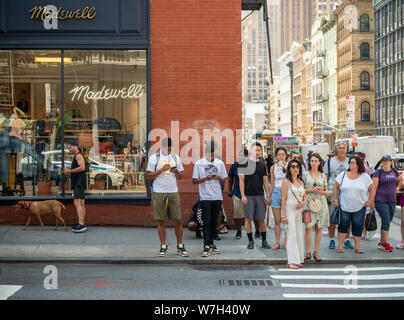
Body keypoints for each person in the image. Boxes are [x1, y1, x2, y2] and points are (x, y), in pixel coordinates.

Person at [145, 137, 188, 257]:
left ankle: (180, 246)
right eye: (167, 150)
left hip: (173, 191)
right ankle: (163, 246)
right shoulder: (155, 158)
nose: (168, 152)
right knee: (161, 220)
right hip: (159, 192)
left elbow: (180, 176)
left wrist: (177, 172)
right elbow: (148, 176)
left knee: (178, 220)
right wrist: (161, 169)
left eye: (170, 150)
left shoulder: (175, 157)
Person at [333, 156, 376, 254]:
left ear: (358, 165)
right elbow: (336, 187)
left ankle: (357, 247)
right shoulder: (343, 174)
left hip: (360, 206)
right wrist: (335, 200)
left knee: (358, 225)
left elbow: (372, 188)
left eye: (353, 163)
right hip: (344, 206)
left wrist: (370, 200)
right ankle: (340, 246)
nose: (350, 164)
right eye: (350, 162)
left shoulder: (365, 176)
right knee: (343, 225)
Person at [192, 141, 228, 257]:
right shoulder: (199, 164)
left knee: (214, 222)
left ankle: (212, 244)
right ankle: (206, 245)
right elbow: (194, 181)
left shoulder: (220, 163)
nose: (211, 157)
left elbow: (224, 180)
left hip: (217, 197)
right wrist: (206, 178)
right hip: (205, 197)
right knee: (206, 222)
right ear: (205, 153)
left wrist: (218, 178)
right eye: (209, 154)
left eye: (213, 155)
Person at [239, 142, 271, 249]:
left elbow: (265, 181)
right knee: (248, 219)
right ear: (250, 150)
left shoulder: (262, 165)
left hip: (260, 195)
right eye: (255, 150)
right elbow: (241, 181)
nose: (256, 152)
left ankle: (264, 241)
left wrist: (268, 195)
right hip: (248, 195)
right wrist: (243, 195)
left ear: (260, 152)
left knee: (261, 219)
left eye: (258, 150)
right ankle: (250, 241)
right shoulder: (243, 163)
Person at [324, 141, 353, 250]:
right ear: (336, 149)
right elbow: (325, 178)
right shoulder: (329, 161)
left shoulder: (350, 162)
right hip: (332, 191)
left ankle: (346, 240)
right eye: (339, 148)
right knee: (332, 217)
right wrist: (326, 193)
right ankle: (332, 239)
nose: (341, 150)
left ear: (346, 150)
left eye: (343, 148)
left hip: (347, 192)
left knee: (347, 218)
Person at [372, 155, 403, 252]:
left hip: (392, 200)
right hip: (381, 200)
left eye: (386, 160)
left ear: (390, 162)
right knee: (386, 220)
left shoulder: (394, 171)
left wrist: (397, 187)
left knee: (388, 221)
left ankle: (381, 243)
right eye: (383, 161)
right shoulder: (378, 172)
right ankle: (385, 243)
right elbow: (374, 187)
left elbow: (401, 180)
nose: (385, 162)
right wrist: (372, 201)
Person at [302, 153, 329, 262]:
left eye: (315, 161)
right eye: (311, 161)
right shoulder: (305, 174)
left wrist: (320, 191)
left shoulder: (322, 175)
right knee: (308, 228)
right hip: (308, 203)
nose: (313, 163)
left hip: (321, 203)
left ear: (319, 162)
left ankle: (316, 252)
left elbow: (326, 192)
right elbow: (301, 189)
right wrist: (311, 190)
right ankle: (307, 252)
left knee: (319, 228)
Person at [281, 159, 307, 269]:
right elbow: (283, 199)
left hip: (299, 210)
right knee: (292, 235)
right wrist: (283, 215)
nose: (295, 168)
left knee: (299, 234)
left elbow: (305, 197)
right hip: (289, 209)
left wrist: (303, 203)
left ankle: (299, 259)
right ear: (289, 168)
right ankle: (291, 261)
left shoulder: (301, 182)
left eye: (297, 167)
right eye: (293, 166)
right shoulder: (286, 182)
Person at [63, 140, 87, 233]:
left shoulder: (78, 155)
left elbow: (82, 167)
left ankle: (81, 225)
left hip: (79, 183)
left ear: (75, 146)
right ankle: (82, 224)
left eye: (70, 147)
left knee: (77, 203)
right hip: (79, 182)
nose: (69, 149)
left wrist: (69, 171)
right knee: (80, 203)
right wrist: (70, 173)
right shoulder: (77, 155)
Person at [268, 147, 288, 250]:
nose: (281, 156)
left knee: (286, 220)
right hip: (276, 192)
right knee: (277, 221)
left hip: (287, 193)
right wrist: (269, 195)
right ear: (276, 156)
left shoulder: (290, 166)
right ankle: (277, 242)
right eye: (279, 155)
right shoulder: (273, 167)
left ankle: (286, 242)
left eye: (283, 154)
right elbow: (272, 182)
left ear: (286, 155)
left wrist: (286, 169)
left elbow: (292, 179)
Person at [228, 149, 249, 239]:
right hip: (237, 192)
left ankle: (257, 231)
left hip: (250, 193)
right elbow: (230, 179)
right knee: (238, 214)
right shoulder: (235, 166)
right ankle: (239, 231)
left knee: (253, 214)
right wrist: (229, 190)